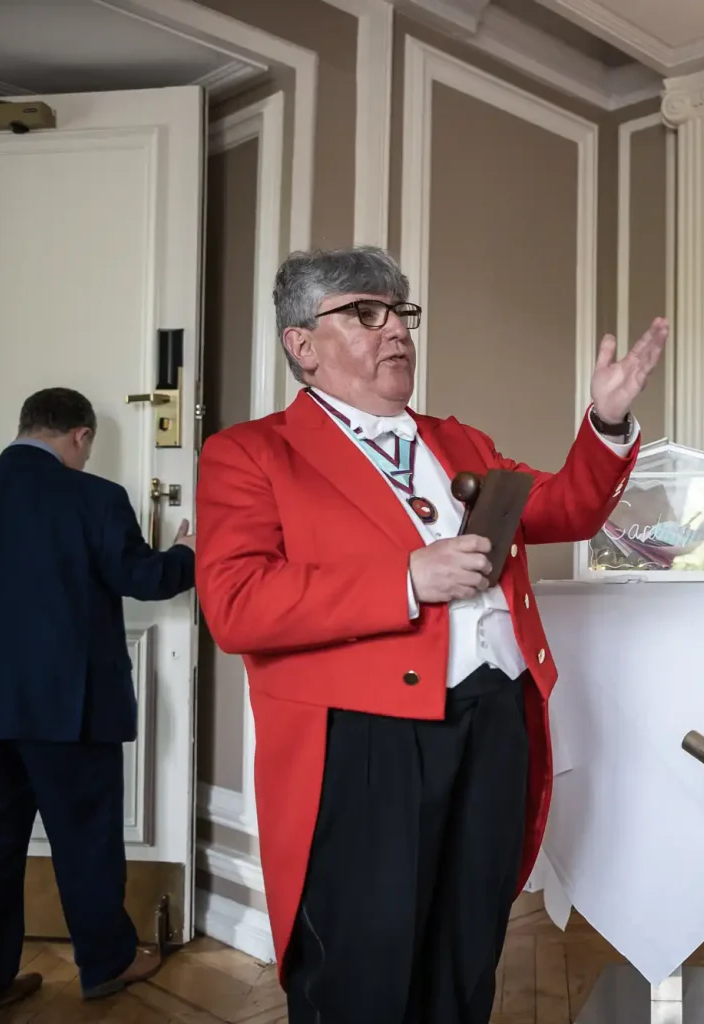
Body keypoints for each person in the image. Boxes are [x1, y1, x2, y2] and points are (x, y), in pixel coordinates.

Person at [194, 246, 666, 1023]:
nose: (396, 330)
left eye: (402, 313)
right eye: (366, 312)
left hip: (495, 718)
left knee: (465, 946)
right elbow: (236, 604)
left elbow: (566, 510)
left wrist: (606, 423)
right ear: (301, 344)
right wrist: (405, 580)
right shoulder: (251, 453)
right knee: (360, 966)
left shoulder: (461, 441)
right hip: (363, 740)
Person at [0, 387, 197, 1023]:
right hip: (71, 708)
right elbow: (141, 579)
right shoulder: (94, 497)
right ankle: (107, 962)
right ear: (80, 436)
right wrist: (184, 552)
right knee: (85, 840)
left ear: (25, 426)